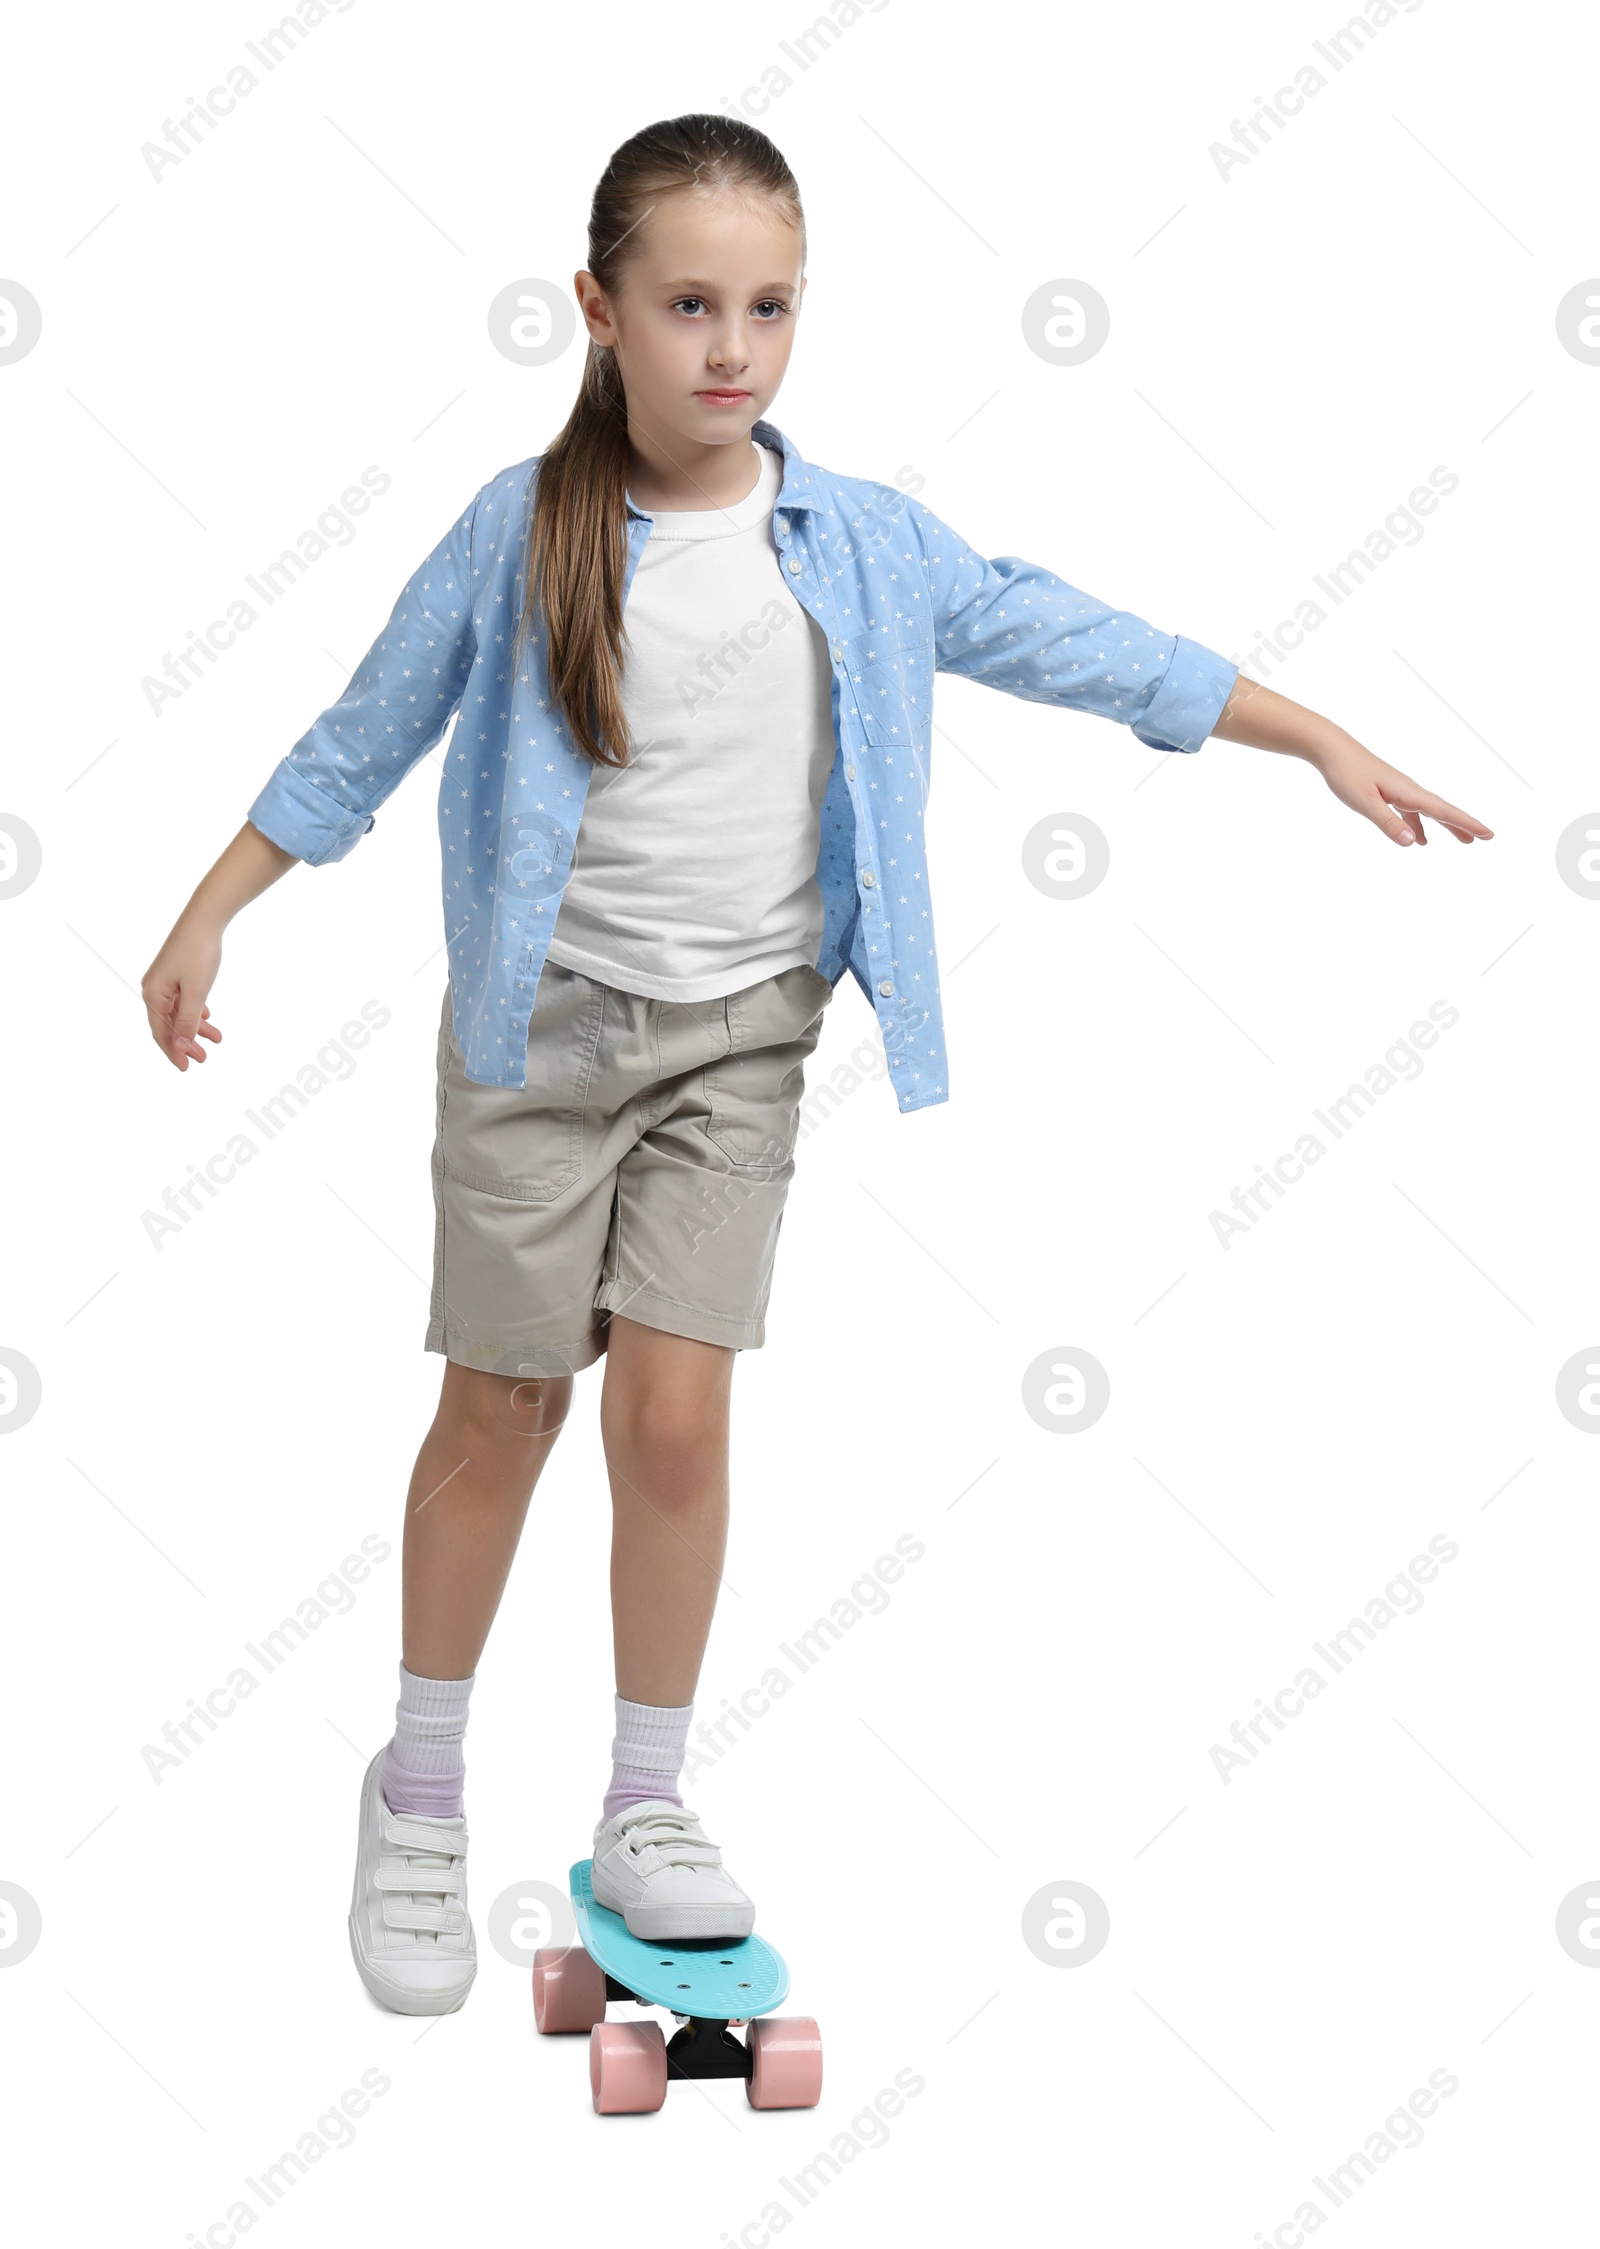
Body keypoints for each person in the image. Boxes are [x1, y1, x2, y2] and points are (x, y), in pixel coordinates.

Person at [139, 113, 1492, 2017]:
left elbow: (1071, 637)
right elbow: (363, 733)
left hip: (738, 1050)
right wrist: (215, 907)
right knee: (503, 1411)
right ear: (596, 311)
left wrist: (1314, 732)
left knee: (676, 1422)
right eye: (688, 304)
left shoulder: (855, 540)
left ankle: (643, 1802)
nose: (731, 349)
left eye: (769, 308)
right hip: (534, 1044)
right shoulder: (517, 535)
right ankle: (422, 1786)